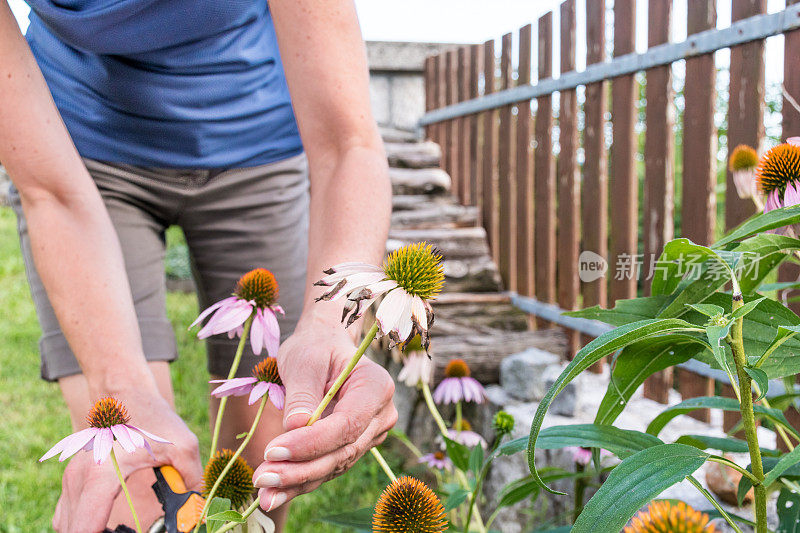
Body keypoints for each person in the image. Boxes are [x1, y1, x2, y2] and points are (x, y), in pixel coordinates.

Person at [0, 0, 397, 531]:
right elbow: (51, 192)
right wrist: (122, 386)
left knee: (261, 472)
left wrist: (330, 327)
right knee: (133, 479)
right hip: (82, 148)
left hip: (257, 145)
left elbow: (348, 143)